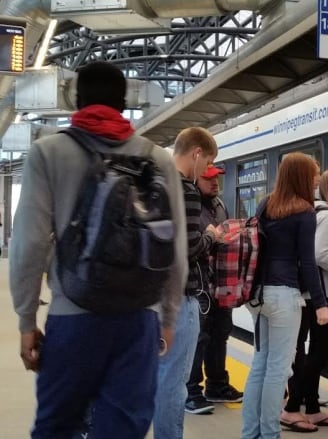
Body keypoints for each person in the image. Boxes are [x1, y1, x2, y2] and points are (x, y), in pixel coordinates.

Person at [9, 61, 187, 439]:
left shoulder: (48, 153)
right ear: (124, 102)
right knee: (122, 430)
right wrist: (168, 318)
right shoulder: (159, 159)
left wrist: (26, 321)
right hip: (138, 321)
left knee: (58, 427)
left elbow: (30, 244)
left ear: (76, 100)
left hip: (73, 316)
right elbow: (176, 251)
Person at [241, 152, 328, 439]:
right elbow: (307, 261)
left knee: (260, 366)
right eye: (314, 173)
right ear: (301, 176)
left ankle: (251, 434)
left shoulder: (266, 204)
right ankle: (270, 434)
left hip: (259, 295)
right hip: (284, 296)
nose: (317, 178)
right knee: (278, 371)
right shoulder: (304, 211)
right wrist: (320, 303)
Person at [155, 126, 222, 438]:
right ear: (197, 153)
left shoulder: (154, 182)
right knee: (172, 384)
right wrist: (211, 236)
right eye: (207, 161)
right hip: (180, 299)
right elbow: (189, 247)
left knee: (155, 378)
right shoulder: (186, 189)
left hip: (150, 297)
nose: (206, 169)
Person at [281, 170, 328, 430]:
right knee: (322, 352)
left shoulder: (317, 211)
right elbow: (319, 254)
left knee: (311, 351)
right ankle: (291, 408)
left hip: (312, 292)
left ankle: (311, 408)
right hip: (320, 294)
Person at [185, 164, 245, 414]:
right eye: (208, 178)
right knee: (199, 336)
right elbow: (191, 244)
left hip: (221, 280)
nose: (215, 182)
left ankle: (217, 385)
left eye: (217, 178)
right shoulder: (190, 204)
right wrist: (211, 238)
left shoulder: (219, 204)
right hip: (199, 281)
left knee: (221, 331)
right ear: (196, 178)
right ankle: (191, 392)